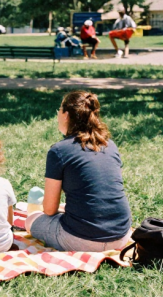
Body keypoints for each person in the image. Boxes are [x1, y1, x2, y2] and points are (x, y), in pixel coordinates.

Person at [26, 91, 132, 252]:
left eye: (59, 110)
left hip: (82, 240)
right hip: (121, 236)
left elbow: (49, 209)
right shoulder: (110, 145)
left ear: (66, 115)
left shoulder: (59, 151)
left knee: (31, 219)